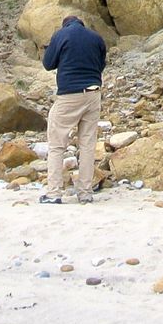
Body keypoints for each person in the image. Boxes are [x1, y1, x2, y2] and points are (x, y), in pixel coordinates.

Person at [41, 14, 107, 204]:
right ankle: (85, 192)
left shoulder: (61, 35)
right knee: (87, 144)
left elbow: (48, 64)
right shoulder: (96, 38)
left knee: (56, 143)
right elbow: (100, 64)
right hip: (94, 94)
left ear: (66, 24)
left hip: (70, 94)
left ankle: (54, 193)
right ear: (82, 24)